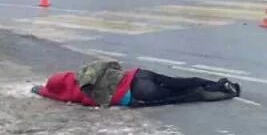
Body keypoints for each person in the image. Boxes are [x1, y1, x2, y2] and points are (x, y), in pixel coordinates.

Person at [33, 58, 241, 107]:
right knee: (180, 82)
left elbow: (51, 93)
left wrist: (40, 91)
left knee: (181, 96)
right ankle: (219, 83)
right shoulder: (84, 72)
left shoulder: (73, 94)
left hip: (136, 92)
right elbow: (112, 64)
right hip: (139, 75)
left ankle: (223, 94)